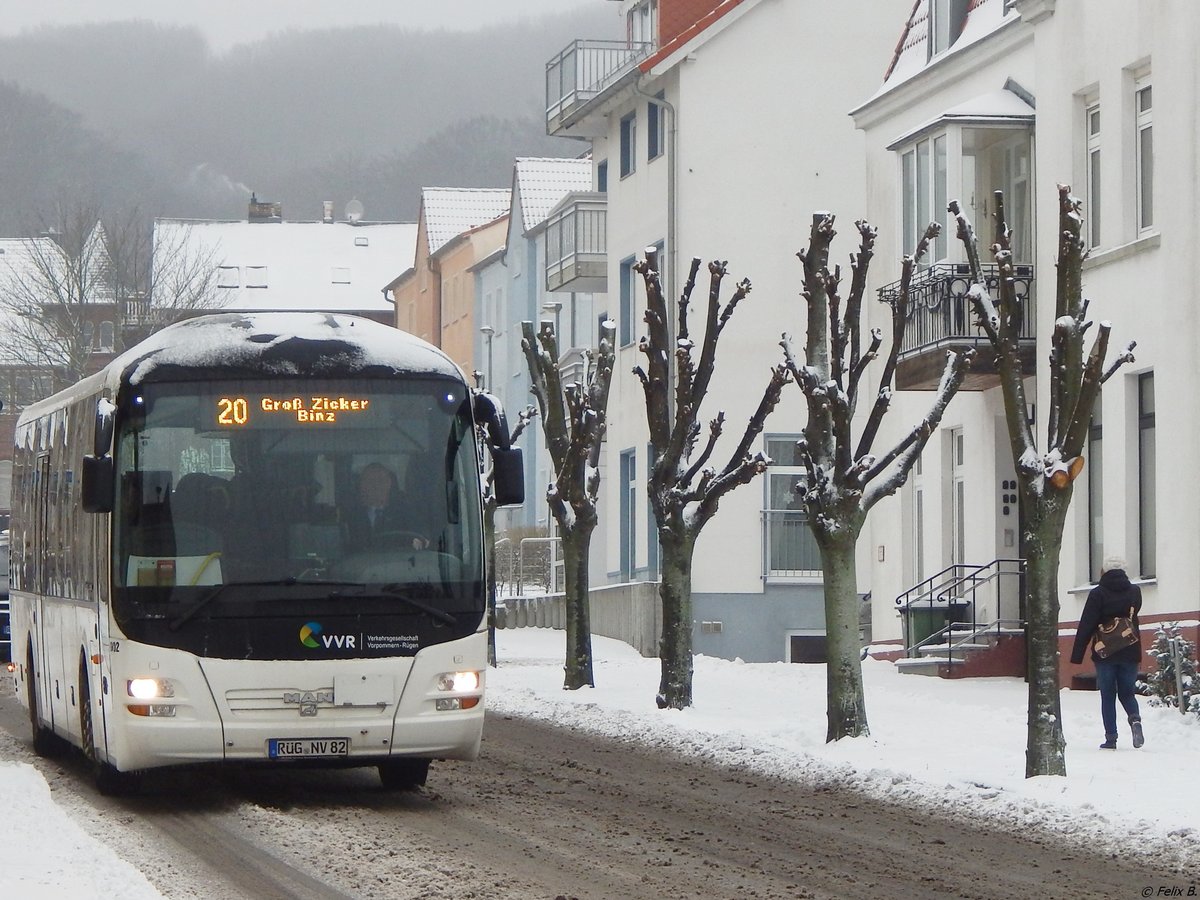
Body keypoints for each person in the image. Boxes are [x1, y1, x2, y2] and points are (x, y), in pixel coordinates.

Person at [1070, 555, 1144, 750]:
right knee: (1128, 693)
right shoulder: (1135, 592)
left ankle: (1111, 738)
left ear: (1103, 571)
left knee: (1108, 695)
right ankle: (1135, 720)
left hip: (1105, 653)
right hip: (1130, 649)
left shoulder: (1098, 594)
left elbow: (1087, 624)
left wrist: (1077, 654)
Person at [346, 462, 428, 550]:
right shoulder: (350, 516)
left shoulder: (405, 513)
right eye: (370, 481)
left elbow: (422, 537)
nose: (376, 486)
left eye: (381, 481)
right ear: (361, 485)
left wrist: (417, 542)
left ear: (389, 484)